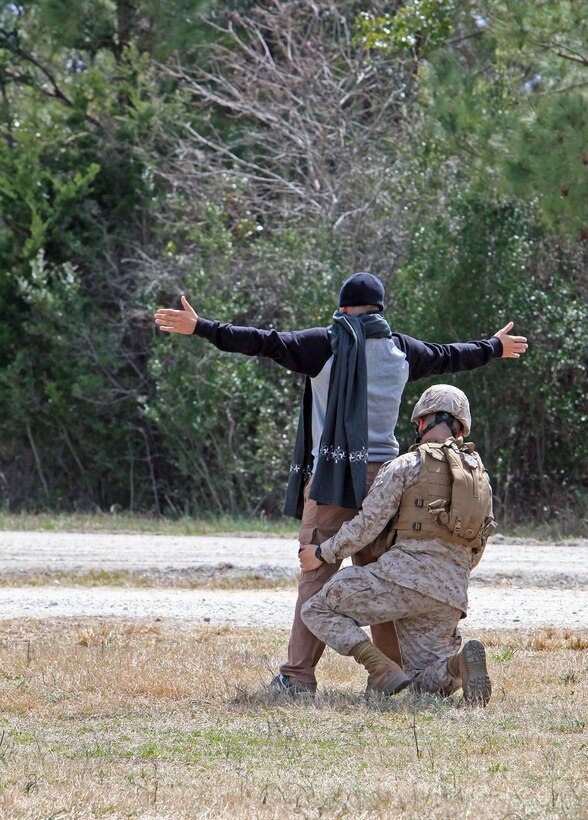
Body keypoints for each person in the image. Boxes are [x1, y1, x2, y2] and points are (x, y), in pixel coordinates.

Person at [154, 273, 527, 696]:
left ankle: (297, 678)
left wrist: (201, 326)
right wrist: (493, 347)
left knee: (316, 570)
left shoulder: (324, 344)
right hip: (388, 477)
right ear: (380, 310)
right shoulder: (402, 350)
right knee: (378, 576)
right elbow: (449, 355)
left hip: (332, 474)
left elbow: (262, 341)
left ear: (344, 307)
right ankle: (390, 673)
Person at [299, 384, 495, 706]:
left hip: (401, 579)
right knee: (423, 681)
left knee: (316, 609)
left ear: (423, 421)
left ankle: (379, 669)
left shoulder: (405, 465)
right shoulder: (478, 477)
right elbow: (479, 542)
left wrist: (322, 553)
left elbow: (366, 526)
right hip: (451, 592)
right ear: (460, 427)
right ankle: (458, 664)